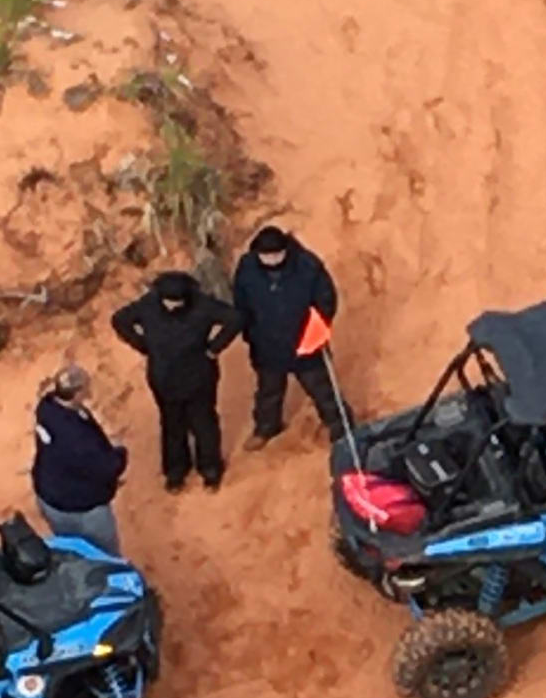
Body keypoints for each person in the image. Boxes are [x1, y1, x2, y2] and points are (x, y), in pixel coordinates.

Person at [111, 265, 239, 493]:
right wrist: (143, 345)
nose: (172, 305)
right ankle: (175, 472)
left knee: (204, 425)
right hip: (164, 379)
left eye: (177, 301)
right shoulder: (149, 305)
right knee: (172, 425)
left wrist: (214, 348)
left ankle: (210, 470)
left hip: (199, 378)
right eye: (168, 300)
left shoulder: (202, 305)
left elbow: (234, 318)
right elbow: (120, 319)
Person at [230, 219, 345, 445]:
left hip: (306, 342)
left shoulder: (307, 266)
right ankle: (266, 428)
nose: (271, 259)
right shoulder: (247, 268)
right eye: (266, 256)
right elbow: (240, 302)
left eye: (276, 254)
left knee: (322, 390)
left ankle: (341, 428)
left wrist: (317, 330)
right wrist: (249, 331)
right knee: (268, 392)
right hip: (267, 344)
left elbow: (326, 300)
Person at [30, 365, 129, 555]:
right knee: (107, 557)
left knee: (72, 551)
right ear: (76, 393)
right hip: (81, 507)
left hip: (49, 497)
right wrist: (120, 454)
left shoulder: (47, 406)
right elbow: (108, 467)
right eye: (85, 388)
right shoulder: (78, 439)